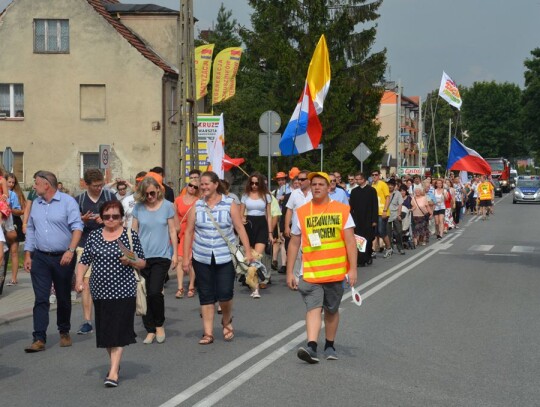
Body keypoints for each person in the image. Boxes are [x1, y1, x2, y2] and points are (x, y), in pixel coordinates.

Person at [286, 172, 357, 363]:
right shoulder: (302, 212)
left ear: (328, 188)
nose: (317, 187)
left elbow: (350, 242)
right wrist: (290, 271)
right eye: (314, 184)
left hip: (335, 272)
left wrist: (353, 270)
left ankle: (330, 344)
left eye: (321, 184)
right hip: (310, 272)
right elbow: (294, 242)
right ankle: (311, 346)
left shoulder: (342, 210)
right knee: (313, 308)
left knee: (332, 311)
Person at [75, 201, 146, 387]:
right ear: (102, 217)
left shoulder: (130, 235)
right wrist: (79, 279)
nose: (111, 220)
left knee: (119, 330)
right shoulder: (94, 236)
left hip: (124, 290)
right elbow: (84, 260)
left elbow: (142, 262)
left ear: (122, 217)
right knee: (107, 332)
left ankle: (113, 371)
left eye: (115, 216)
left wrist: (130, 259)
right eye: (107, 216)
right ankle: (115, 365)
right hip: (100, 292)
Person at [182, 171, 252, 345]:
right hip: (202, 256)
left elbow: (239, 228)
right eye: (201, 184)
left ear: (215, 185)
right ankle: (208, 333)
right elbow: (189, 232)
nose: (203, 187)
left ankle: (226, 320)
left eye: (206, 184)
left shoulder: (229, 203)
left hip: (224, 256)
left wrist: (248, 252)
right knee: (206, 295)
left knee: (225, 293)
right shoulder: (197, 206)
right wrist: (185, 258)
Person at [23, 171, 83, 352]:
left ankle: (64, 330)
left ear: (46, 185)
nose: (33, 186)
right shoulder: (36, 204)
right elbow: (31, 229)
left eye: (36, 183)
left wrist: (71, 251)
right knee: (41, 298)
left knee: (63, 296)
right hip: (40, 257)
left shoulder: (67, 202)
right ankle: (39, 337)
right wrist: (28, 254)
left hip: (62, 257)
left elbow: (77, 227)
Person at [132, 176, 178, 344]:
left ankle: (159, 325)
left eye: (152, 193)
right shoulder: (138, 207)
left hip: (162, 256)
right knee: (143, 293)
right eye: (147, 194)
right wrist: (132, 256)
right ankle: (149, 329)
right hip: (142, 257)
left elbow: (173, 231)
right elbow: (134, 232)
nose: (150, 197)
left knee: (154, 291)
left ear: (158, 190)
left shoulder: (167, 206)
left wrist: (175, 253)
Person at [75, 169, 117, 335]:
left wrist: (106, 219)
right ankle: (87, 321)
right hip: (85, 245)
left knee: (107, 282)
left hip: (107, 244)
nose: (99, 188)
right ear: (86, 184)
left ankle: (109, 317)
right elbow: (72, 222)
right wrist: (81, 220)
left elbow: (119, 218)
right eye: (95, 186)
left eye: (101, 185)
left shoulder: (109, 197)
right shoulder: (79, 200)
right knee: (86, 283)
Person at [240, 172, 272, 297]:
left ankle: (256, 289)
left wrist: (270, 233)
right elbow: (240, 213)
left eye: (256, 183)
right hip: (249, 225)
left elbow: (269, 216)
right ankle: (253, 284)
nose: (254, 185)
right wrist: (242, 220)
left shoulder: (266, 196)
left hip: (261, 225)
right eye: (252, 183)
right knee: (250, 258)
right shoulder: (245, 196)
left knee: (257, 257)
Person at [174, 178, 199, 299]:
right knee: (180, 259)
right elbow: (173, 216)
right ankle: (180, 287)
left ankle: (191, 286)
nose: (192, 188)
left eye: (195, 187)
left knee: (191, 260)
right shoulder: (178, 200)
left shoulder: (199, 201)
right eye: (190, 185)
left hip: (194, 232)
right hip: (181, 232)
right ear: (186, 186)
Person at [349, 172, 378, 266]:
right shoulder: (354, 191)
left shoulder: (371, 190)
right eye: (356, 179)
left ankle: (368, 256)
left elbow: (375, 205)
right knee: (358, 239)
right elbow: (351, 207)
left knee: (368, 239)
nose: (357, 181)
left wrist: (374, 220)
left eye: (358, 179)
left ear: (364, 179)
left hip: (368, 219)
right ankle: (360, 259)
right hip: (357, 219)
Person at [5, 173, 26, 285]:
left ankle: (14, 278)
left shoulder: (14, 194)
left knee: (14, 251)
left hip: (13, 222)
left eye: (13, 182)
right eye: (9, 182)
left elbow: (21, 210)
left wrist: (9, 209)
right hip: (2, 223)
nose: (11, 184)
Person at [371, 170, 392, 257]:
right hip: (375, 212)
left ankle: (389, 248)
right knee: (374, 232)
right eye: (373, 175)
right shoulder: (372, 185)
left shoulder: (382, 184)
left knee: (381, 231)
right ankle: (373, 250)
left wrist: (385, 210)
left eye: (376, 175)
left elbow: (387, 197)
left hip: (382, 211)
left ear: (379, 175)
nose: (374, 176)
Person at [387, 179, 405, 254]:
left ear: (394, 186)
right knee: (388, 233)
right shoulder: (385, 192)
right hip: (387, 215)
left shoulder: (397, 193)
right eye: (389, 185)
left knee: (398, 232)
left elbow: (400, 204)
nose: (390, 186)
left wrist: (399, 214)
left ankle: (400, 247)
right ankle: (390, 248)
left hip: (395, 214)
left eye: (392, 185)